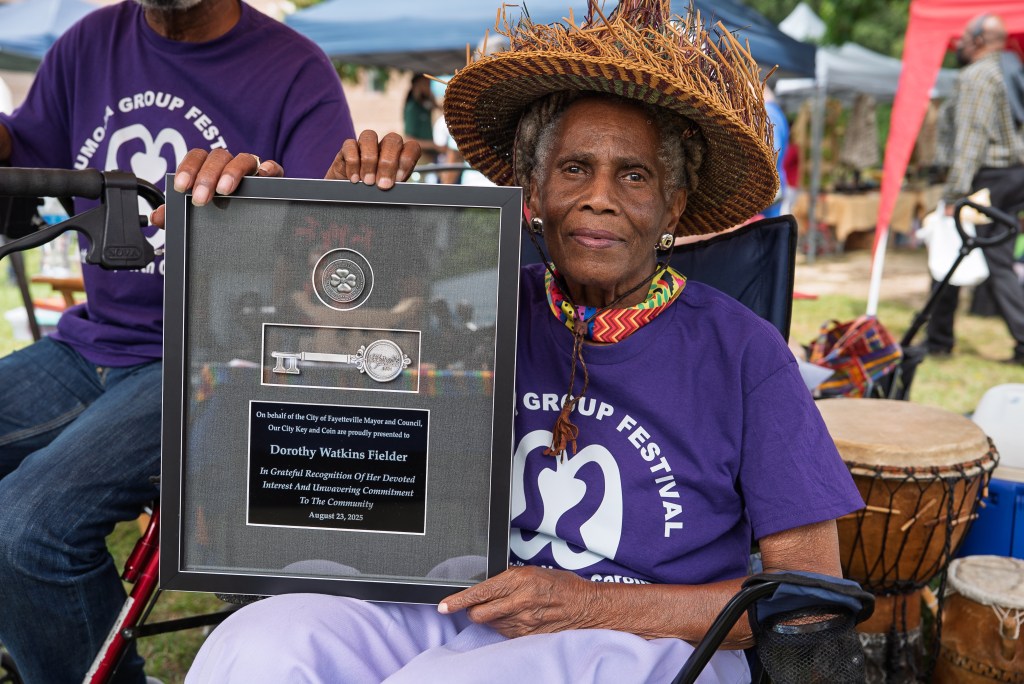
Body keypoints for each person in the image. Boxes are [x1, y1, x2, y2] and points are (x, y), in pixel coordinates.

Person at [182, 2, 863, 681]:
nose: (600, 197)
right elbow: (324, 416)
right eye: (574, 169)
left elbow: (806, 601)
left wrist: (587, 603)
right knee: (264, 644)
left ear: (672, 206)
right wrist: (286, 220)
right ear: (533, 190)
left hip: (658, 641)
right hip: (473, 602)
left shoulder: (743, 351)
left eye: (633, 175)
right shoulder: (485, 311)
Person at [0, 0, 355, 681]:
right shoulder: (87, 44)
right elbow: (29, 153)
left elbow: (335, 241)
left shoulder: (294, 71)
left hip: (210, 362)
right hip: (86, 347)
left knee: (24, 530)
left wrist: (262, 198)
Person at [924, 13, 1024, 364]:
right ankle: (939, 336)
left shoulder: (979, 75)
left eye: (964, 39)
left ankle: (937, 339)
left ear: (980, 40)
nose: (959, 46)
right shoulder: (1009, 69)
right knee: (998, 259)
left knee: (949, 250)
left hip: (987, 177)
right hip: (1010, 175)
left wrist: (955, 194)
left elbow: (972, 137)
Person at [762, 83, 790, 218]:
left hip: (766, 198)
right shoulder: (775, 112)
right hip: (771, 193)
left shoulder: (768, 113)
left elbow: (769, 154)